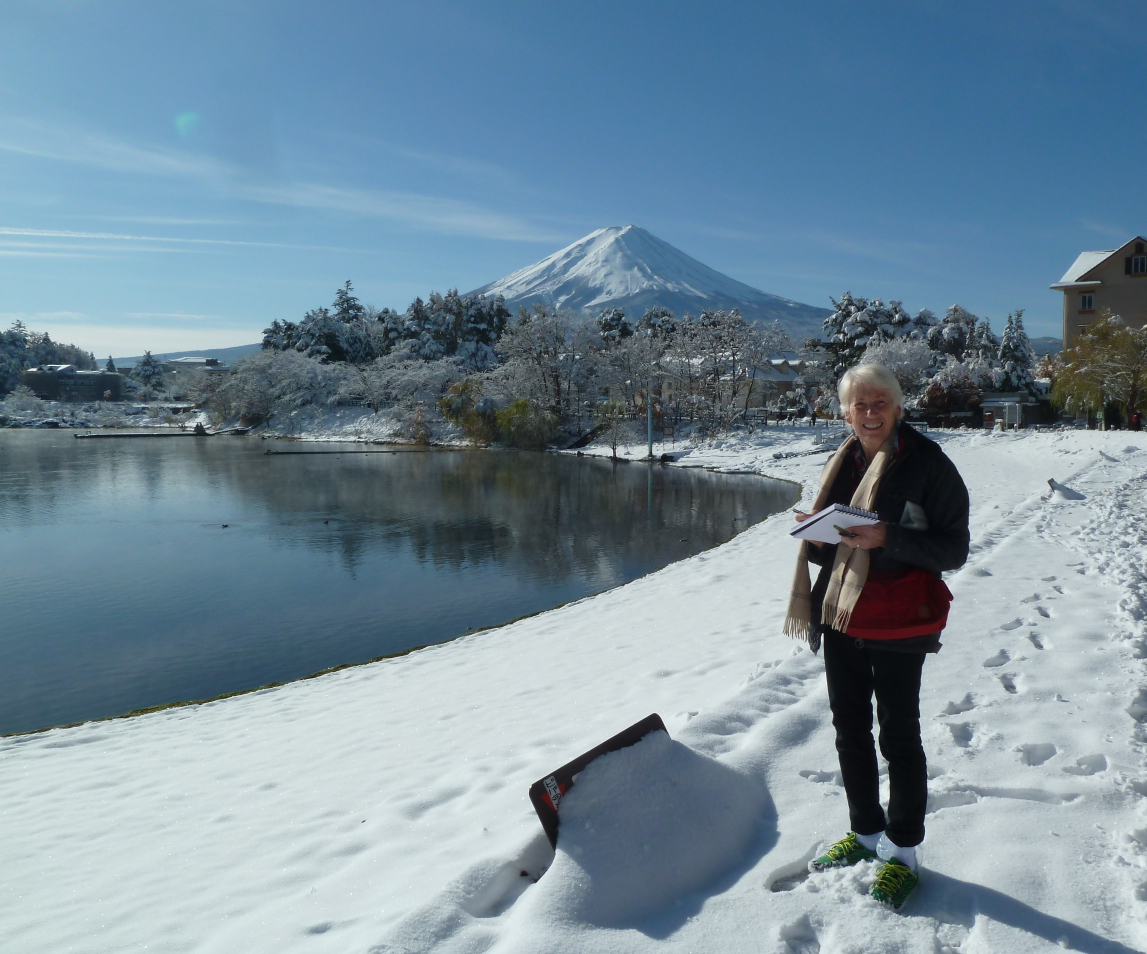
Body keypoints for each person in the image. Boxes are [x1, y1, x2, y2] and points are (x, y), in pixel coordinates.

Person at [784, 363, 970, 909]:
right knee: (849, 729)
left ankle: (904, 850)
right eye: (859, 404)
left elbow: (953, 549)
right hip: (841, 617)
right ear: (845, 412)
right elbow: (833, 541)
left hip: (899, 619)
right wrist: (813, 535)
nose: (869, 412)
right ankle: (865, 832)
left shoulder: (930, 465)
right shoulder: (842, 460)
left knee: (899, 736)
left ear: (898, 406)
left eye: (879, 402)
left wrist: (886, 537)